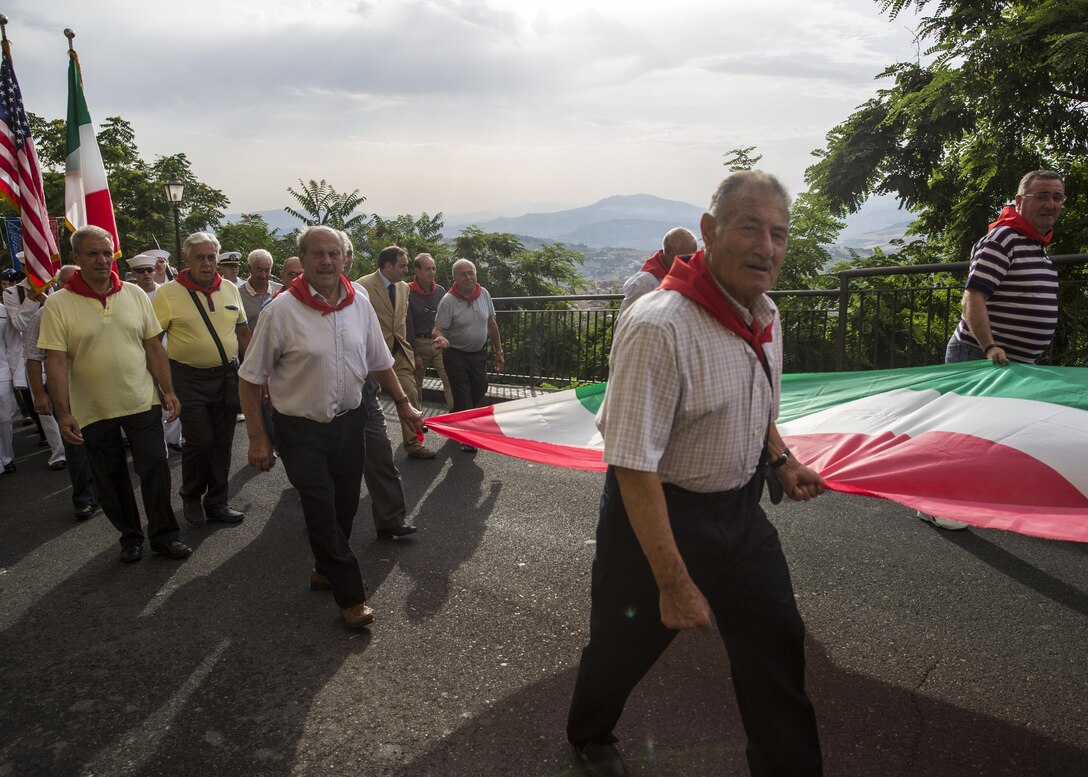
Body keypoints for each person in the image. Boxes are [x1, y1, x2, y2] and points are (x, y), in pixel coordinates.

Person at [566, 171, 825, 777]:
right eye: (751, 227)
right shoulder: (660, 325)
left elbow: (754, 401)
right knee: (622, 648)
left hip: (740, 514)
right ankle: (589, 732)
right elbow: (631, 462)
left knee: (777, 647)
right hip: (656, 516)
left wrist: (780, 459)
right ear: (709, 232)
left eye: (779, 233)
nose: (767, 247)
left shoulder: (764, 314)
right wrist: (674, 581)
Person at [238, 225, 424, 629]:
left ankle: (324, 567)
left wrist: (405, 404)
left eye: (333, 254)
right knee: (321, 508)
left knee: (344, 507)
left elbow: (379, 361)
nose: (326, 261)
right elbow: (250, 379)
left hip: (350, 423)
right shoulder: (281, 311)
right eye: (317, 254)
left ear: (345, 259)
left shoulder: (359, 304)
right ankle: (351, 595)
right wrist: (257, 438)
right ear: (302, 260)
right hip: (300, 430)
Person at [922, 169, 1066, 531]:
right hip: (981, 358)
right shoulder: (1004, 239)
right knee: (961, 436)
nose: (1051, 203)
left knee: (991, 436)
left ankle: (966, 500)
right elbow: (973, 297)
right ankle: (935, 504)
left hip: (1013, 364)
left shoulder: (1035, 243)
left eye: (1057, 197)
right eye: (1042, 196)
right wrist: (989, 346)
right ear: (1020, 201)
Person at [38, 226, 190, 562]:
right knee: (110, 477)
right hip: (92, 408)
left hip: (141, 400)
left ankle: (164, 536)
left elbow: (153, 346)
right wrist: (63, 413)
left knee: (154, 468)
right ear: (76, 258)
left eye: (107, 253)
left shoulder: (134, 295)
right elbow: (57, 362)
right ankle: (130, 536)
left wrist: (168, 390)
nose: (102, 260)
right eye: (93, 254)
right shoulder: (59, 304)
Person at [153, 232, 251, 527]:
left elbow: (243, 335)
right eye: (200, 257)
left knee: (222, 442)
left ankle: (217, 501)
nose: (207, 263)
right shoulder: (168, 293)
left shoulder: (231, 290)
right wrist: (163, 387)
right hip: (188, 378)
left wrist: (259, 374)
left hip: (225, 377)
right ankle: (192, 496)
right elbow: (154, 342)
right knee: (201, 441)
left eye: (211, 257)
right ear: (187, 260)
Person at [25, 265, 99, 519]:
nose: (73, 285)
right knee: (77, 445)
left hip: (99, 388)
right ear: (57, 285)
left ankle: (107, 493)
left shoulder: (99, 307)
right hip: (65, 390)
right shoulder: (45, 313)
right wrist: (39, 394)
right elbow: (33, 358)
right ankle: (84, 499)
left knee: (104, 444)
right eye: (66, 281)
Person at [358, 246, 435, 459]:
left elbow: (401, 322)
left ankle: (415, 444)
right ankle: (359, 445)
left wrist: (413, 352)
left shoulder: (404, 288)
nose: (406, 270)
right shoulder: (362, 286)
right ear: (387, 265)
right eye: (402, 266)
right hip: (371, 357)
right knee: (365, 404)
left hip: (399, 353)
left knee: (410, 394)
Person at [432, 259, 504, 452]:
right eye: (463, 274)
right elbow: (438, 329)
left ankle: (456, 416)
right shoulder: (448, 300)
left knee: (481, 387)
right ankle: (468, 438)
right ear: (454, 278)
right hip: (455, 355)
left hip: (478, 354)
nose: (468, 277)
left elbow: (491, 323)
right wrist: (441, 339)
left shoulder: (484, 294)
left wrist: (499, 351)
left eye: (471, 272)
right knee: (463, 395)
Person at [618, 227, 699, 315]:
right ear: (668, 251)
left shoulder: (688, 278)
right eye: (684, 257)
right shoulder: (644, 283)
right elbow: (625, 322)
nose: (688, 263)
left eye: (692, 258)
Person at [407, 253, 453, 408]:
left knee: (450, 380)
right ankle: (416, 420)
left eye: (433, 269)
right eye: (428, 269)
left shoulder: (440, 291)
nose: (432, 272)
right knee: (415, 386)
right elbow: (408, 325)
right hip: (418, 342)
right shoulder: (408, 291)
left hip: (438, 342)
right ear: (417, 271)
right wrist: (415, 354)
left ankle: (454, 417)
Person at [239, 249, 282, 330]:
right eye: (259, 270)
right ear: (249, 268)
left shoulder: (281, 291)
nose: (263, 275)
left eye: (267, 270)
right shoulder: (238, 295)